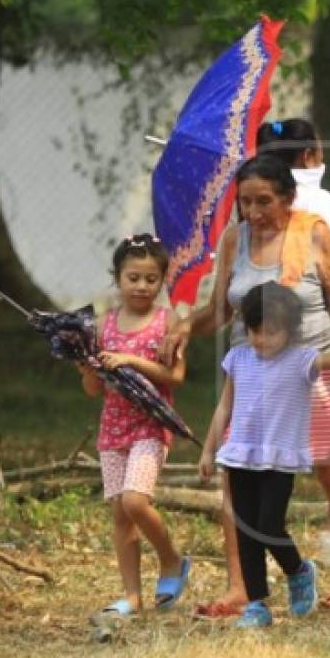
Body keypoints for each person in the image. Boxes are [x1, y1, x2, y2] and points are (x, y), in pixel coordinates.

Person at [176, 154, 330, 616]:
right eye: (245, 202)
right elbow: (219, 312)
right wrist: (182, 327)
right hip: (254, 381)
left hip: (319, 370)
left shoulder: (313, 232)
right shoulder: (234, 240)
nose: (254, 213)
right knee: (239, 483)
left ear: (288, 198)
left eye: (264, 201)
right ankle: (243, 589)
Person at [200, 282, 330, 628]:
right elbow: (225, 406)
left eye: (271, 332)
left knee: (269, 526)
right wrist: (209, 450)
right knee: (246, 532)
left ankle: (299, 571)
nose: (261, 339)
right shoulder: (238, 358)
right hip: (241, 456)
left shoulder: (303, 360)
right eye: (255, 331)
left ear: (289, 329)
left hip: (279, 458)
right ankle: (258, 603)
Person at [77, 234, 191, 619]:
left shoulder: (167, 322)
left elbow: (174, 377)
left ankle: (171, 559)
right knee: (121, 515)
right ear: (118, 278)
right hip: (113, 430)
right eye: (133, 278)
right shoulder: (101, 326)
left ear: (161, 282)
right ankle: (132, 595)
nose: (141, 286)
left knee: (135, 500)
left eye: (150, 279)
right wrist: (86, 368)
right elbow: (93, 390)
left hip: (150, 426)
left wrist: (131, 360)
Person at [256, 118, 330, 272]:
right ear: (307, 156)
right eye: (320, 149)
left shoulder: (256, 200)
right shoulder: (317, 199)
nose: (322, 156)